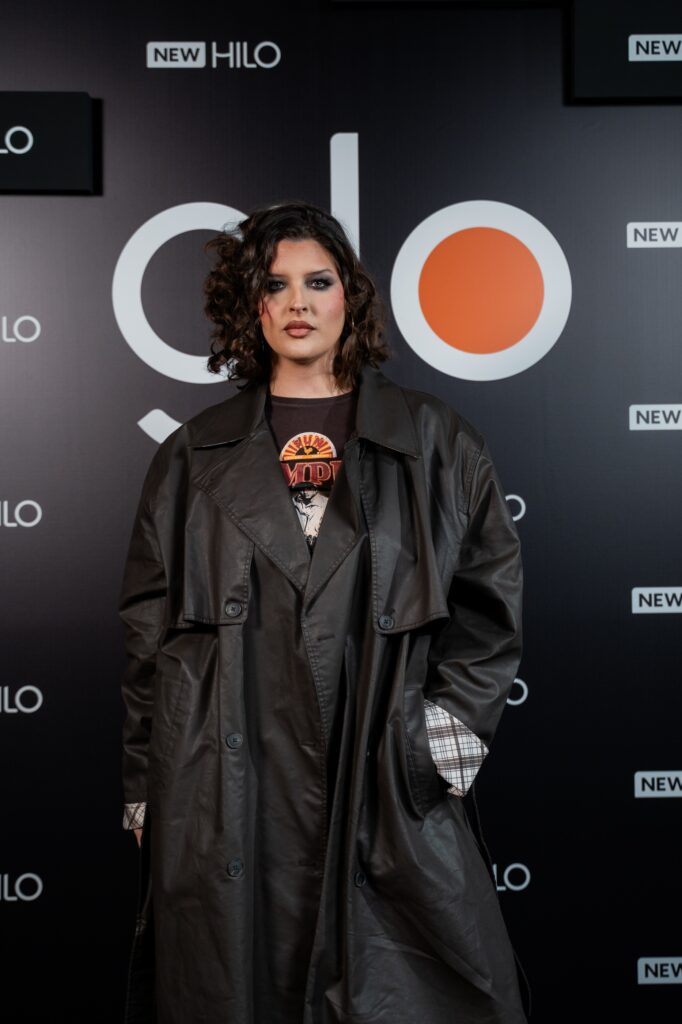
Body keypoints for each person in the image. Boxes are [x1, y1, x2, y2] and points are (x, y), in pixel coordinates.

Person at [119, 200, 527, 1023]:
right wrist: (147, 785)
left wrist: (431, 752)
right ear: (252, 304)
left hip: (383, 785)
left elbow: (487, 609)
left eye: (318, 281)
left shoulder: (435, 441)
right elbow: (148, 638)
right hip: (229, 795)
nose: (298, 303)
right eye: (275, 285)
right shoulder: (191, 456)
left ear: (351, 296)